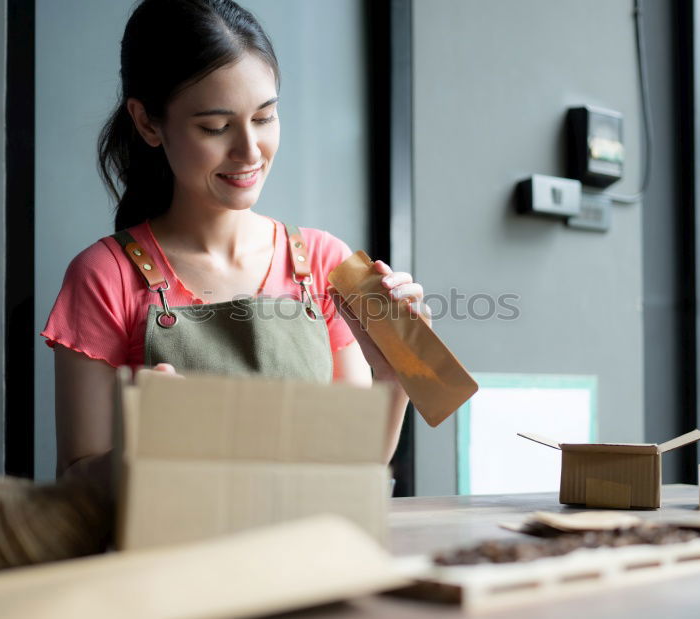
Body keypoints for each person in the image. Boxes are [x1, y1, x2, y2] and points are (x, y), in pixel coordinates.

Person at [42, 0, 430, 488]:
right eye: (215, 127)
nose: (250, 151)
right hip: (169, 560)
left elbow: (354, 467)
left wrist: (395, 373)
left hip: (306, 554)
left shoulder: (324, 261)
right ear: (146, 123)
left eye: (265, 118)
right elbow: (73, 482)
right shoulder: (105, 275)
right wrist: (140, 445)